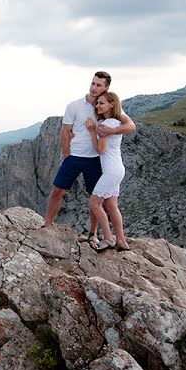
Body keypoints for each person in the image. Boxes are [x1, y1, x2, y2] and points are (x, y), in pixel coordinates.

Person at [42, 71, 135, 246]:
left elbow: (131, 126)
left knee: (94, 197)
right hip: (74, 156)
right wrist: (66, 154)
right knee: (57, 191)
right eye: (93, 83)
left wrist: (111, 131)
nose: (94, 87)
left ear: (106, 88)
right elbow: (65, 131)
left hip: (96, 160)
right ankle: (47, 224)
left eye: (99, 85)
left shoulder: (107, 107)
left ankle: (93, 233)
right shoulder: (74, 106)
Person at [85, 91, 129, 251]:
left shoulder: (105, 125)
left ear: (112, 104)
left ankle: (109, 238)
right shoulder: (117, 122)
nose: (97, 106)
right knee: (111, 205)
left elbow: (100, 150)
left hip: (110, 170)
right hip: (118, 168)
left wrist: (91, 131)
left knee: (94, 203)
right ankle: (122, 241)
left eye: (101, 103)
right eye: (97, 103)